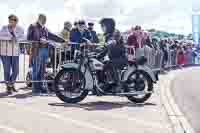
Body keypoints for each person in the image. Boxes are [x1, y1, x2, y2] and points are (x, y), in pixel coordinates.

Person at [98, 18, 127, 93]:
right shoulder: (107, 35)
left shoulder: (115, 32)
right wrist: (98, 55)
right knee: (102, 65)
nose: (102, 28)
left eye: (103, 26)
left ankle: (118, 85)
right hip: (114, 57)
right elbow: (106, 49)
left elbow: (113, 40)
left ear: (109, 26)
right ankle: (106, 84)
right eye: (101, 26)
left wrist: (112, 41)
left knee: (110, 64)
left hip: (121, 58)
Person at [0, 14, 24, 94]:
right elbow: (1, 36)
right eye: (10, 20)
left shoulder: (19, 28)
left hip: (15, 53)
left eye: (13, 20)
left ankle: (11, 83)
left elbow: (23, 37)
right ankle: (9, 87)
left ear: (16, 21)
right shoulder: (4, 28)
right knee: (7, 70)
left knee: (16, 70)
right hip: (5, 52)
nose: (11, 21)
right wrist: (10, 38)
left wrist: (15, 37)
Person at [27, 14, 50, 94]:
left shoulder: (45, 28)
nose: (45, 21)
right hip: (37, 50)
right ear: (39, 18)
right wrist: (39, 39)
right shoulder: (32, 26)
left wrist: (62, 40)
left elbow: (52, 36)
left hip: (45, 51)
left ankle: (40, 88)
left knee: (42, 71)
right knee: (36, 70)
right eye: (43, 19)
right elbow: (28, 38)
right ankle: (35, 89)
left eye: (45, 19)